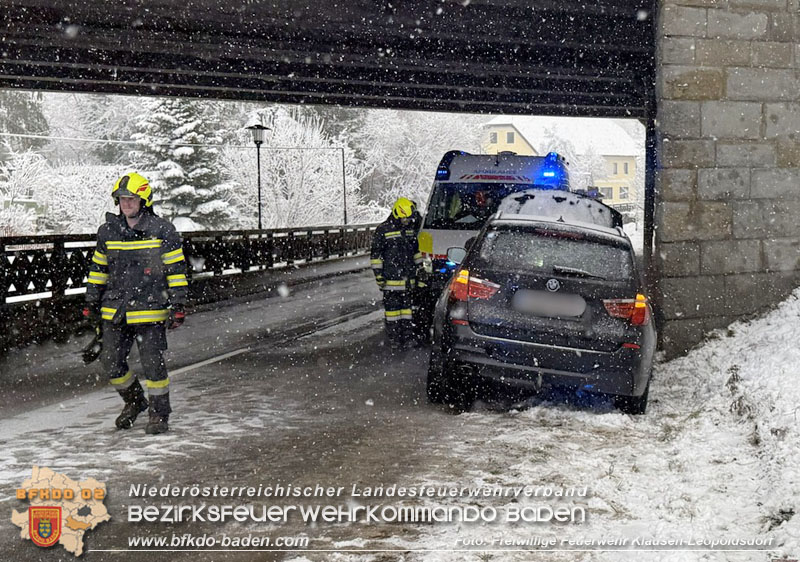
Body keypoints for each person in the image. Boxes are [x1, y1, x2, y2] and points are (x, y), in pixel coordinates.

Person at [83, 172, 188, 435]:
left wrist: (178, 305)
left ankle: (159, 414)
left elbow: (176, 271)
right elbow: (98, 270)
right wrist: (91, 301)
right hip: (116, 310)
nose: (126, 203)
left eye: (131, 198)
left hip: (150, 309)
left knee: (153, 364)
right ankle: (134, 401)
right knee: (110, 361)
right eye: (122, 199)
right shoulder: (108, 232)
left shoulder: (162, 230)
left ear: (144, 201)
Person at [371, 197, 423, 349]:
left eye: (408, 218)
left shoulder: (409, 230)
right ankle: (394, 339)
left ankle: (407, 337)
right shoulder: (383, 230)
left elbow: (415, 252)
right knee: (392, 312)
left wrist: (421, 270)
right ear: (397, 214)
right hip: (391, 281)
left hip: (407, 281)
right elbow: (376, 256)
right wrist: (379, 275)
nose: (406, 221)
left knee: (407, 312)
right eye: (404, 218)